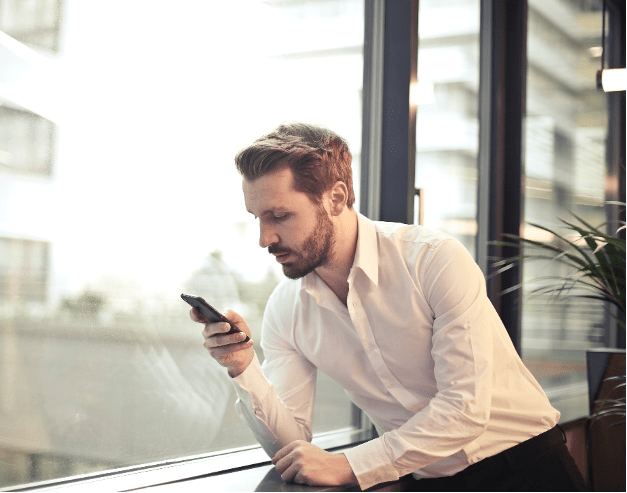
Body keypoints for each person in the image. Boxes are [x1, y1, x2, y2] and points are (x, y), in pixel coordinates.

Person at [188, 123, 587, 491]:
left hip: (527, 467)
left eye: (279, 215)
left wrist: (352, 463)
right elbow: (292, 448)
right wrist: (243, 369)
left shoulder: (433, 259)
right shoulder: (286, 310)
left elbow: (464, 409)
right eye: (257, 217)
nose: (264, 238)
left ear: (336, 198)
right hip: (421, 479)